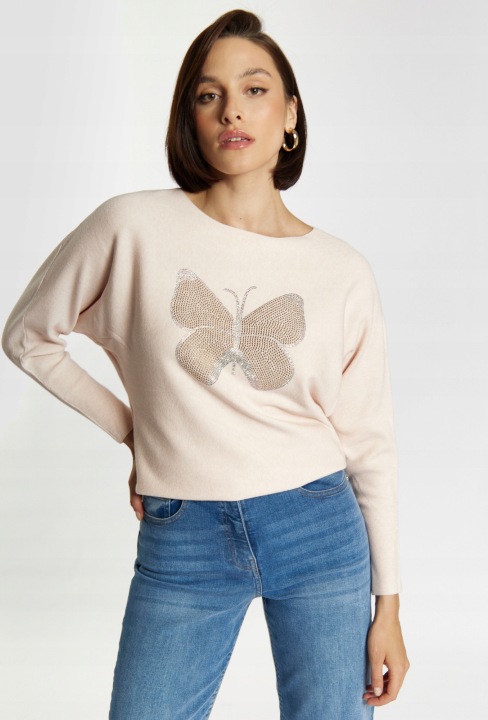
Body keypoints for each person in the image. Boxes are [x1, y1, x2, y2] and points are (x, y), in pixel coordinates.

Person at [2, 9, 409, 719]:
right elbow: (28, 336)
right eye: (207, 94)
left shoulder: (343, 270)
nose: (231, 110)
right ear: (189, 117)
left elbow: (369, 443)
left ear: (290, 114)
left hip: (319, 526)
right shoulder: (130, 226)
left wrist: (390, 605)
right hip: (182, 533)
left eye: (254, 89)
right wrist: (134, 432)